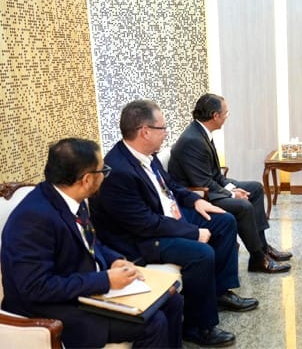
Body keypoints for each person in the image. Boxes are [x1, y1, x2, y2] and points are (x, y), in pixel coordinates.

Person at [90, 100, 256, 348]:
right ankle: (198, 327)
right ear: (145, 131)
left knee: (224, 221)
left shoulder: (147, 155)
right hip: (140, 240)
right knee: (201, 253)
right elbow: (145, 224)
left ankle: (219, 292)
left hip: (166, 217)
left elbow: (171, 185)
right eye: (163, 128)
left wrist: (195, 201)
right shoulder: (118, 171)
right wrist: (193, 232)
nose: (166, 133)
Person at [1, 138, 183, 348]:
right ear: (87, 179)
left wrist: (114, 260)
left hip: (83, 288)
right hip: (50, 307)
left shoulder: (71, 198)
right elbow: (36, 287)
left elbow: (90, 242)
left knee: (172, 300)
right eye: (103, 170)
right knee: (153, 323)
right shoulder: (33, 219)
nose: (105, 175)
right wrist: (105, 280)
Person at [168, 93, 291, 273]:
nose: (227, 117)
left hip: (207, 186)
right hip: (197, 194)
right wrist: (232, 195)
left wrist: (233, 189)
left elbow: (215, 174)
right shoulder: (192, 140)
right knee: (243, 206)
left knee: (255, 188)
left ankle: (263, 247)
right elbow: (203, 182)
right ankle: (258, 258)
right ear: (215, 115)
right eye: (226, 113)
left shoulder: (201, 132)